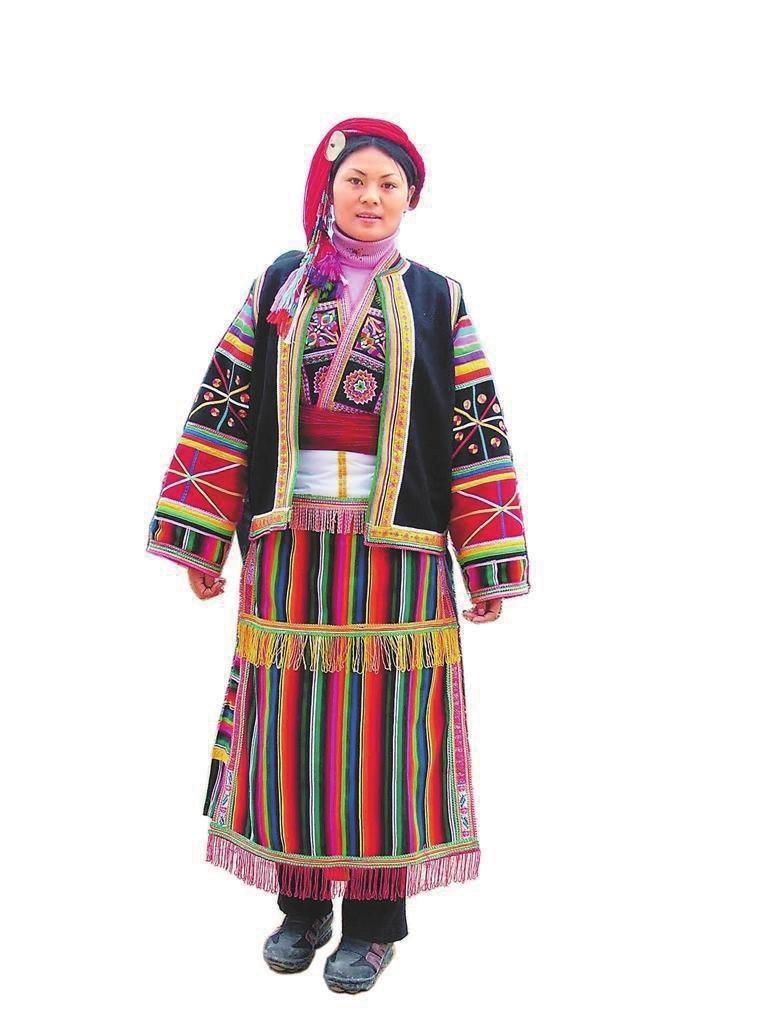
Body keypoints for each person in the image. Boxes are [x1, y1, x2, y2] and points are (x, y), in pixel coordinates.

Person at [146, 116, 530, 994]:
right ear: (328, 189)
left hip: (401, 549)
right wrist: (204, 539)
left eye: (389, 184)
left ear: (411, 198)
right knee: (292, 725)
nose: (371, 197)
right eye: (356, 179)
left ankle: (376, 926)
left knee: (390, 736)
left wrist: (488, 558)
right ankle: (302, 908)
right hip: (289, 543)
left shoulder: (438, 299)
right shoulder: (280, 287)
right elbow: (226, 403)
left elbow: (474, 427)